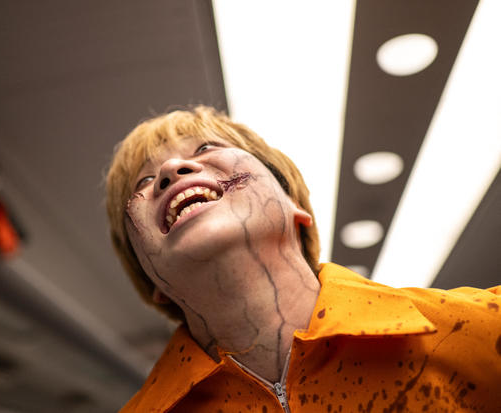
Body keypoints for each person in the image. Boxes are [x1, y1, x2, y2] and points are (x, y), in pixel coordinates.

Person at [105, 106, 501, 412]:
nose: (172, 169)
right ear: (148, 277)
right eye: (143, 182)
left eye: (207, 148)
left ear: (294, 203)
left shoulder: (483, 330)